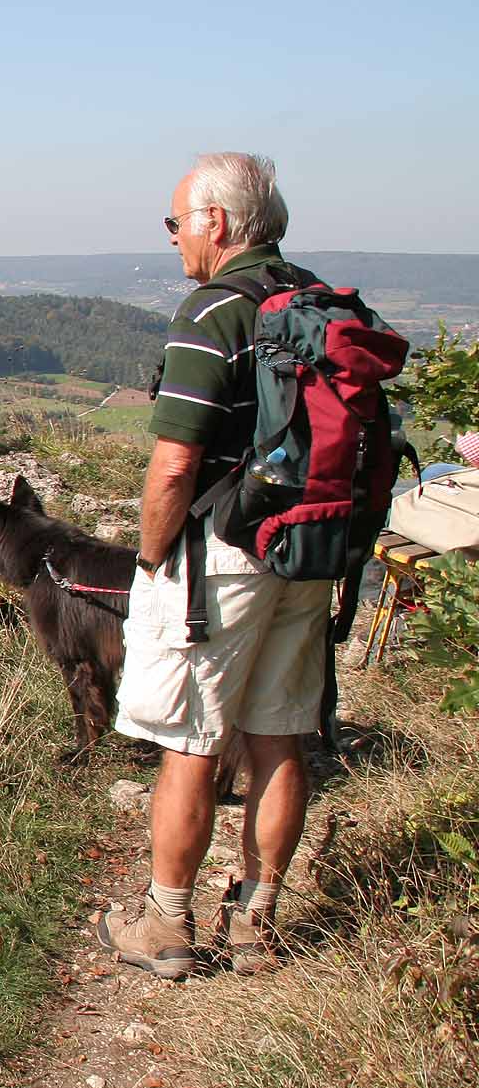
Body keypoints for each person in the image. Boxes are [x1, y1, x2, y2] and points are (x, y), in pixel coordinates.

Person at [100, 152, 331, 979]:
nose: (173, 240)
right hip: (306, 551)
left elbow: (173, 464)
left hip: (222, 559)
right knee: (280, 737)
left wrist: (153, 559)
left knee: (193, 742)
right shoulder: (312, 299)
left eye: (176, 223)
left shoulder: (214, 312)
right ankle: (257, 922)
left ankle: (166, 924)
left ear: (218, 224)